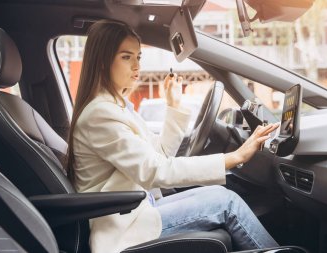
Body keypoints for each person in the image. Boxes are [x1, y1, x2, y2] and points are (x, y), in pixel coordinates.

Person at [66, 20, 280, 253]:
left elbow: (157, 155)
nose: (136, 65)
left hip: (137, 209)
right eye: (126, 57)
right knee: (226, 203)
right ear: (102, 62)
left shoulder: (117, 106)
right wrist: (234, 157)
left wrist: (173, 105)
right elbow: (155, 171)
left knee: (221, 195)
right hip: (123, 226)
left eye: (138, 57)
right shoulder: (100, 114)